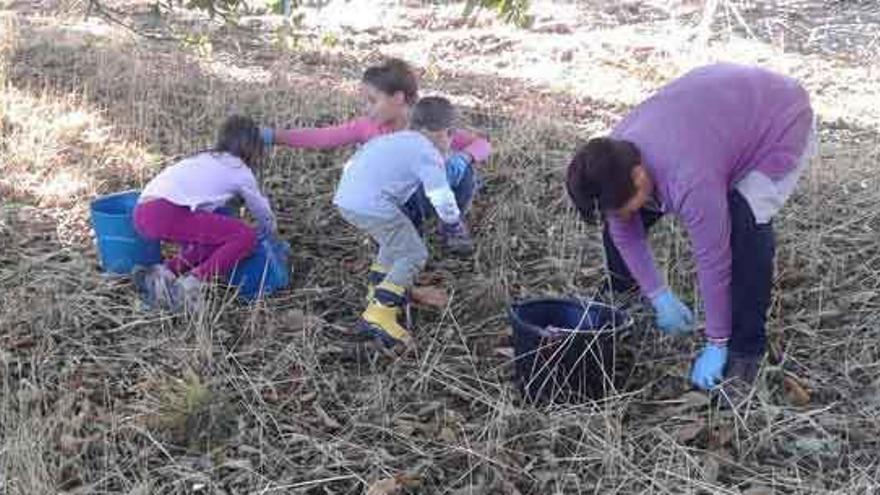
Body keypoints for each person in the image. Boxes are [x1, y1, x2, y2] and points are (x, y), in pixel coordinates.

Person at [565, 64, 815, 404]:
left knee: (744, 225)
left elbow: (714, 260)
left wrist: (716, 341)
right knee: (621, 223)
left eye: (623, 206)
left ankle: (746, 352)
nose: (621, 218)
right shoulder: (614, 157)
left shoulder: (689, 180)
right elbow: (624, 232)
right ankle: (623, 296)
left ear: (640, 176)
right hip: (714, 110)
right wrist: (658, 295)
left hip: (778, 118)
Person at [260, 58, 491, 256]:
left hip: (429, 194)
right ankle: (405, 236)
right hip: (391, 203)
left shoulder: (428, 125)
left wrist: (465, 158)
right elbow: (323, 137)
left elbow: (483, 144)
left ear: (398, 98)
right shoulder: (367, 127)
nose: (366, 108)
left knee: (463, 170)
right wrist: (274, 136)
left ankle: (451, 225)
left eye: (372, 100)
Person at [334, 96, 466, 348]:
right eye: (451, 137)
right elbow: (440, 193)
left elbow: (355, 163)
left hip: (347, 199)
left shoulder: (394, 139)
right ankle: (380, 314)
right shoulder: (428, 152)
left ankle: (376, 292)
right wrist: (453, 223)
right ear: (446, 132)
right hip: (372, 204)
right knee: (414, 253)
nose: (449, 144)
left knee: (392, 244)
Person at [132, 115, 277, 310]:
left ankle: (162, 275)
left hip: (142, 211)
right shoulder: (240, 170)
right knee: (245, 236)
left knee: (212, 240)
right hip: (166, 211)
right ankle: (192, 284)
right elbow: (260, 209)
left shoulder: (204, 157)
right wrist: (270, 229)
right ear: (252, 148)